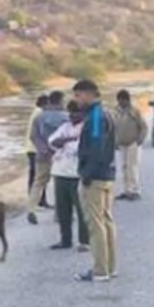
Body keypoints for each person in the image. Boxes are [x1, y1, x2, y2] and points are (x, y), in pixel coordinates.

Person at [74, 79, 118, 283]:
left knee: (96, 224)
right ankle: (110, 267)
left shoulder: (96, 117)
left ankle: (100, 270)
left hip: (96, 177)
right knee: (106, 221)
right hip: (106, 174)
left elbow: (97, 147)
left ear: (89, 94)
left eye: (78, 95)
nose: (77, 100)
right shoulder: (105, 113)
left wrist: (87, 174)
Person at [48, 101, 90, 252]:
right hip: (60, 173)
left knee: (82, 210)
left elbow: (78, 148)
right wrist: (70, 139)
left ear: (83, 114)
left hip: (77, 175)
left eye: (76, 112)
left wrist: (64, 141)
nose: (72, 115)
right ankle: (65, 240)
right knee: (63, 210)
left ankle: (84, 241)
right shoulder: (65, 126)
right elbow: (52, 141)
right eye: (70, 112)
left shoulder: (87, 128)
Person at [27, 90, 68, 224]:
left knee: (38, 182)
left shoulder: (39, 117)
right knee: (59, 184)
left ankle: (31, 209)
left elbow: (33, 136)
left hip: (43, 155)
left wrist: (43, 149)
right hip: (61, 156)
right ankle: (59, 214)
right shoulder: (66, 117)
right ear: (61, 101)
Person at [113, 89, 148, 201]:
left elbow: (143, 126)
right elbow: (114, 127)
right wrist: (115, 141)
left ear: (127, 100)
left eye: (122, 100)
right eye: (119, 101)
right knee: (124, 167)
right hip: (121, 144)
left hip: (133, 143)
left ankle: (135, 190)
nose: (120, 103)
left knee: (132, 167)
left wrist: (140, 140)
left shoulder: (134, 111)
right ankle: (126, 190)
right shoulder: (117, 112)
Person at [24, 94, 50, 208]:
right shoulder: (40, 113)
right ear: (45, 104)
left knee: (36, 175)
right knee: (38, 176)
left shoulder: (36, 112)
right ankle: (37, 201)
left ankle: (37, 200)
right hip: (35, 149)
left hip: (32, 148)